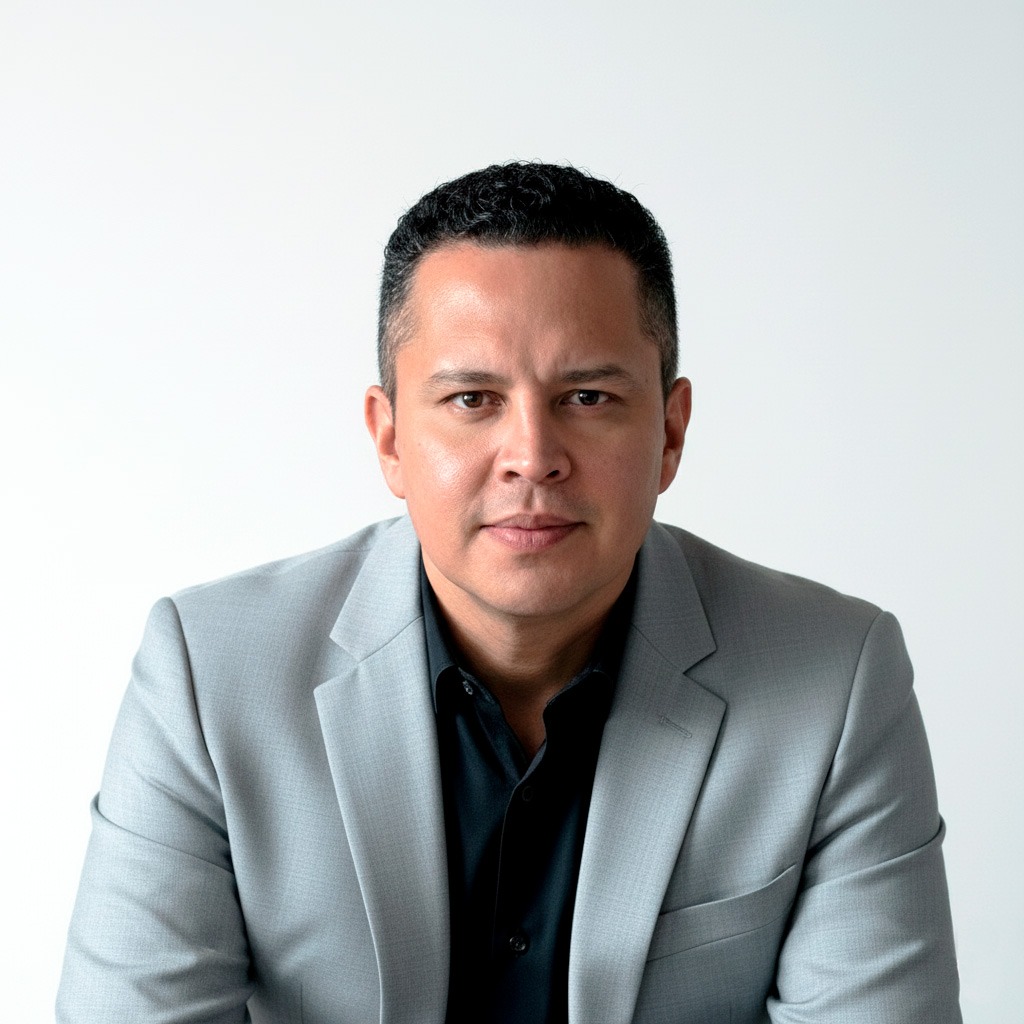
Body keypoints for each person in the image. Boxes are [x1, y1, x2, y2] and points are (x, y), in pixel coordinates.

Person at [57, 162, 961, 1023]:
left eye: (589, 396)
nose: (533, 456)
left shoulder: (835, 680)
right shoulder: (209, 677)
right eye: (472, 399)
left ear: (671, 432)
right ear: (390, 439)